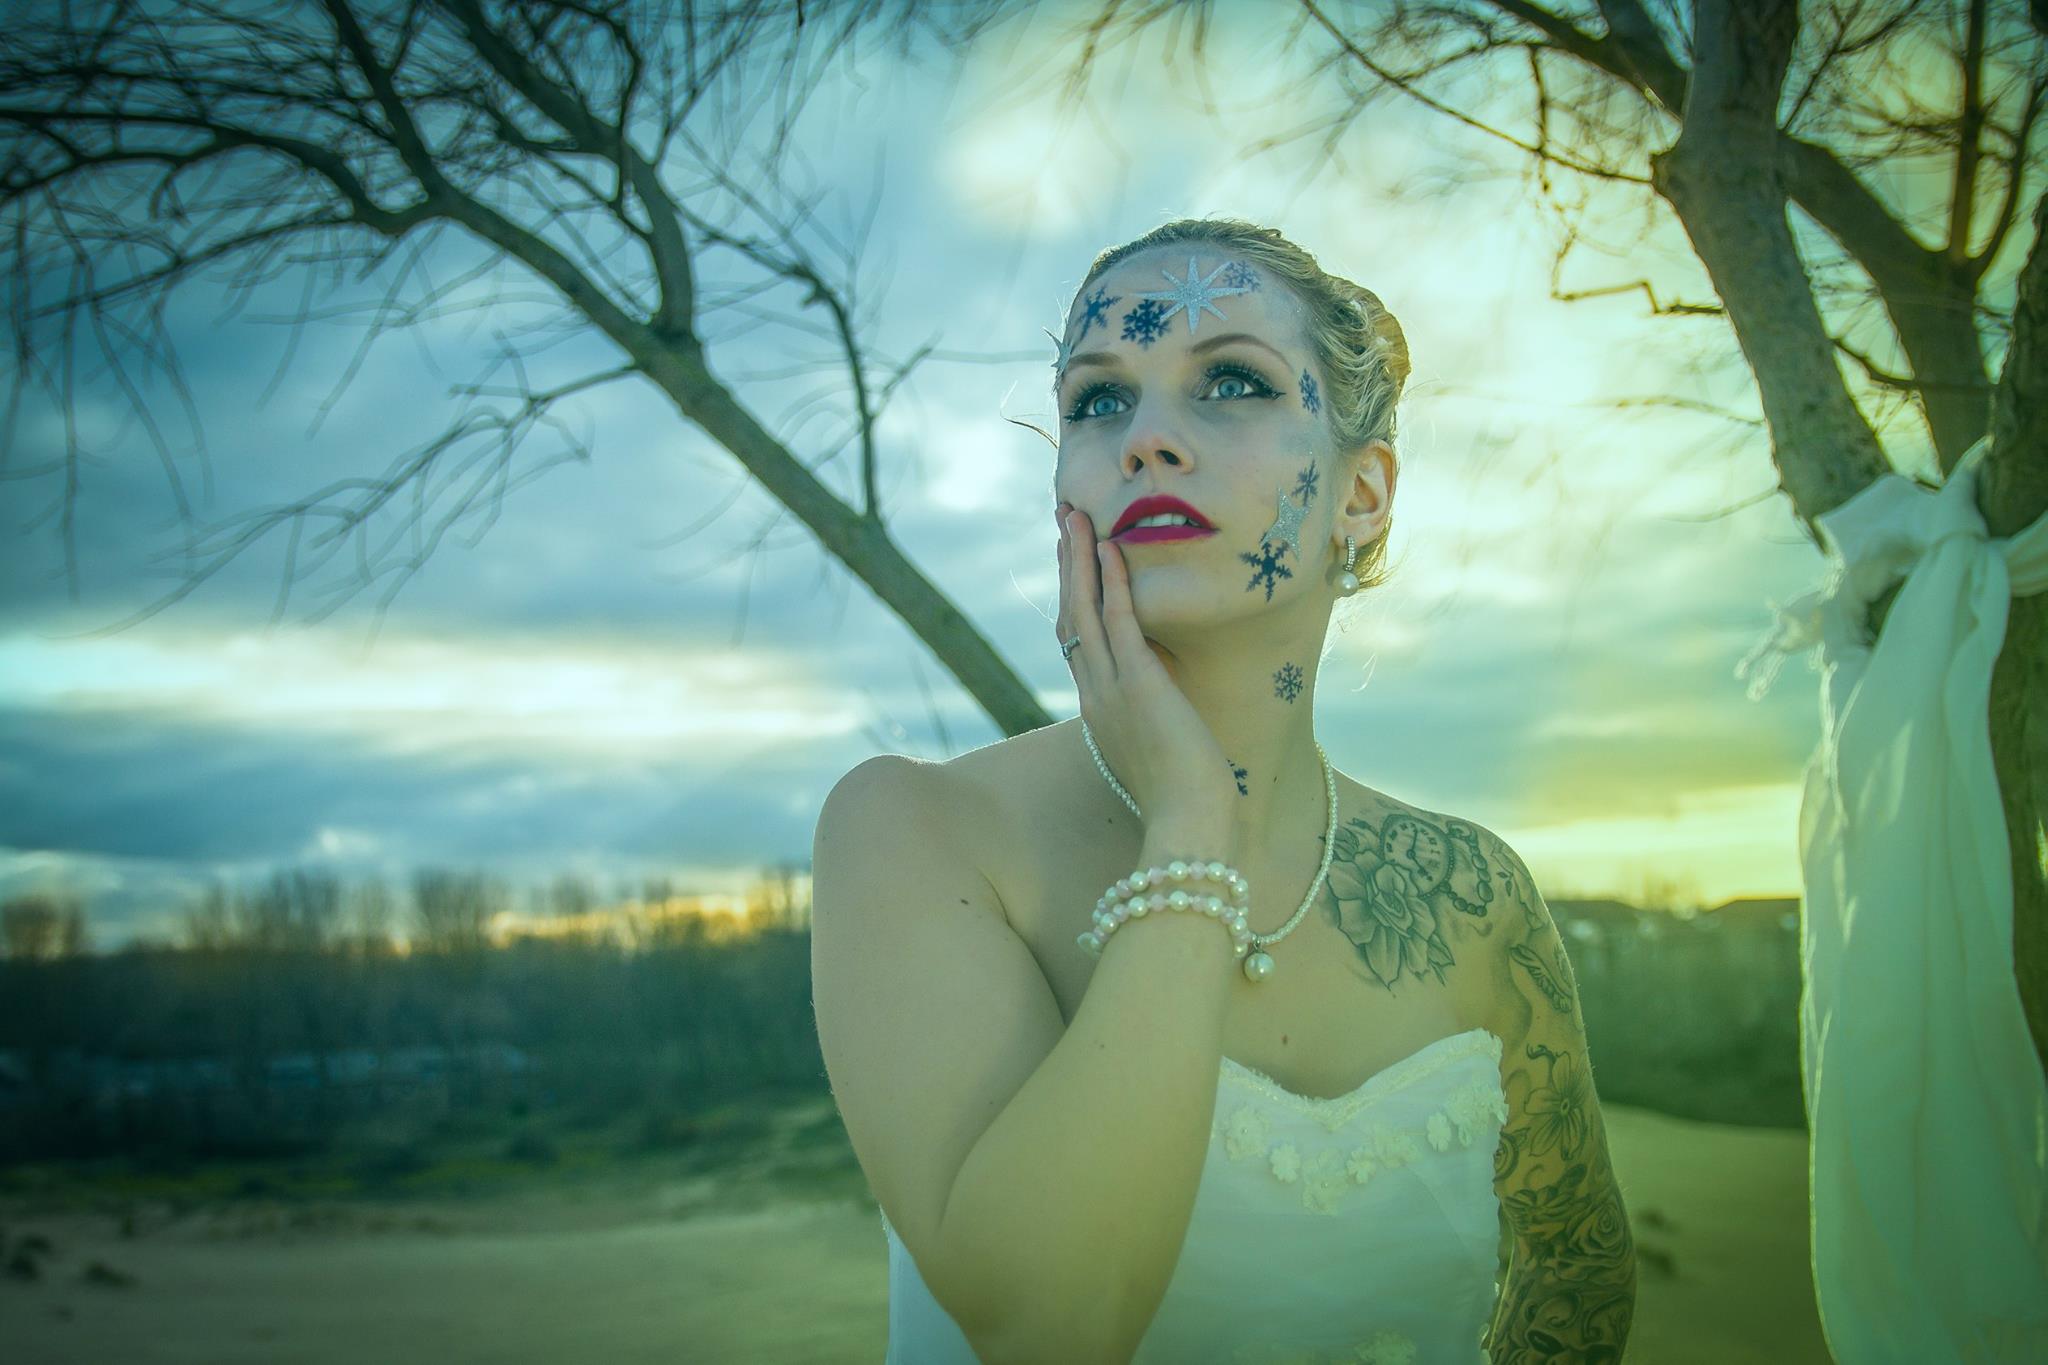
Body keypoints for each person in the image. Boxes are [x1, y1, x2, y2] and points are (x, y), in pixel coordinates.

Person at [810, 217, 1636, 1364]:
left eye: (1232, 383)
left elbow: (1575, 1273)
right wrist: (1191, 824)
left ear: (1361, 494)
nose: (1143, 438)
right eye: (1098, 400)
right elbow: (1049, 1324)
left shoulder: (1470, 893)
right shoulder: (916, 830)